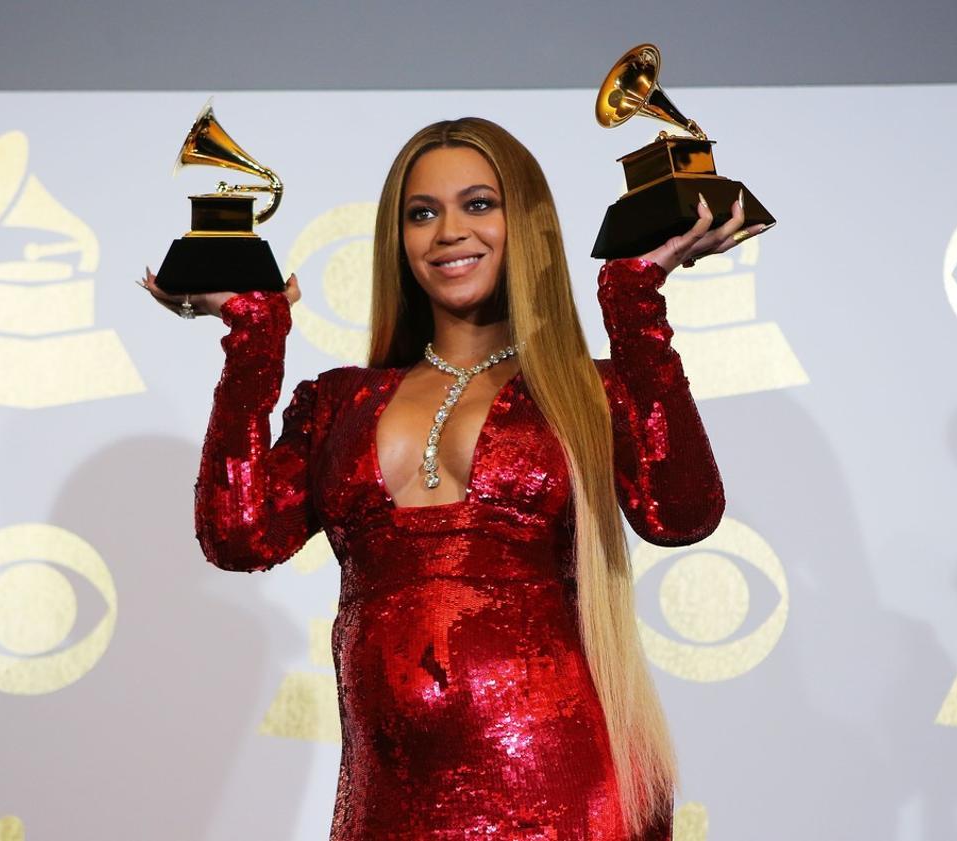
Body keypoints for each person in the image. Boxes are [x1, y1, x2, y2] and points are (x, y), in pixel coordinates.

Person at [142, 117, 766, 840]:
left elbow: (682, 512)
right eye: (422, 212)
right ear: (397, 238)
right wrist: (254, 339)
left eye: (478, 204)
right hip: (389, 807)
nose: (447, 232)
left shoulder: (583, 390)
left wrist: (636, 306)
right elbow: (239, 534)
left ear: (527, 222)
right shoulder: (339, 402)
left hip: (566, 797)